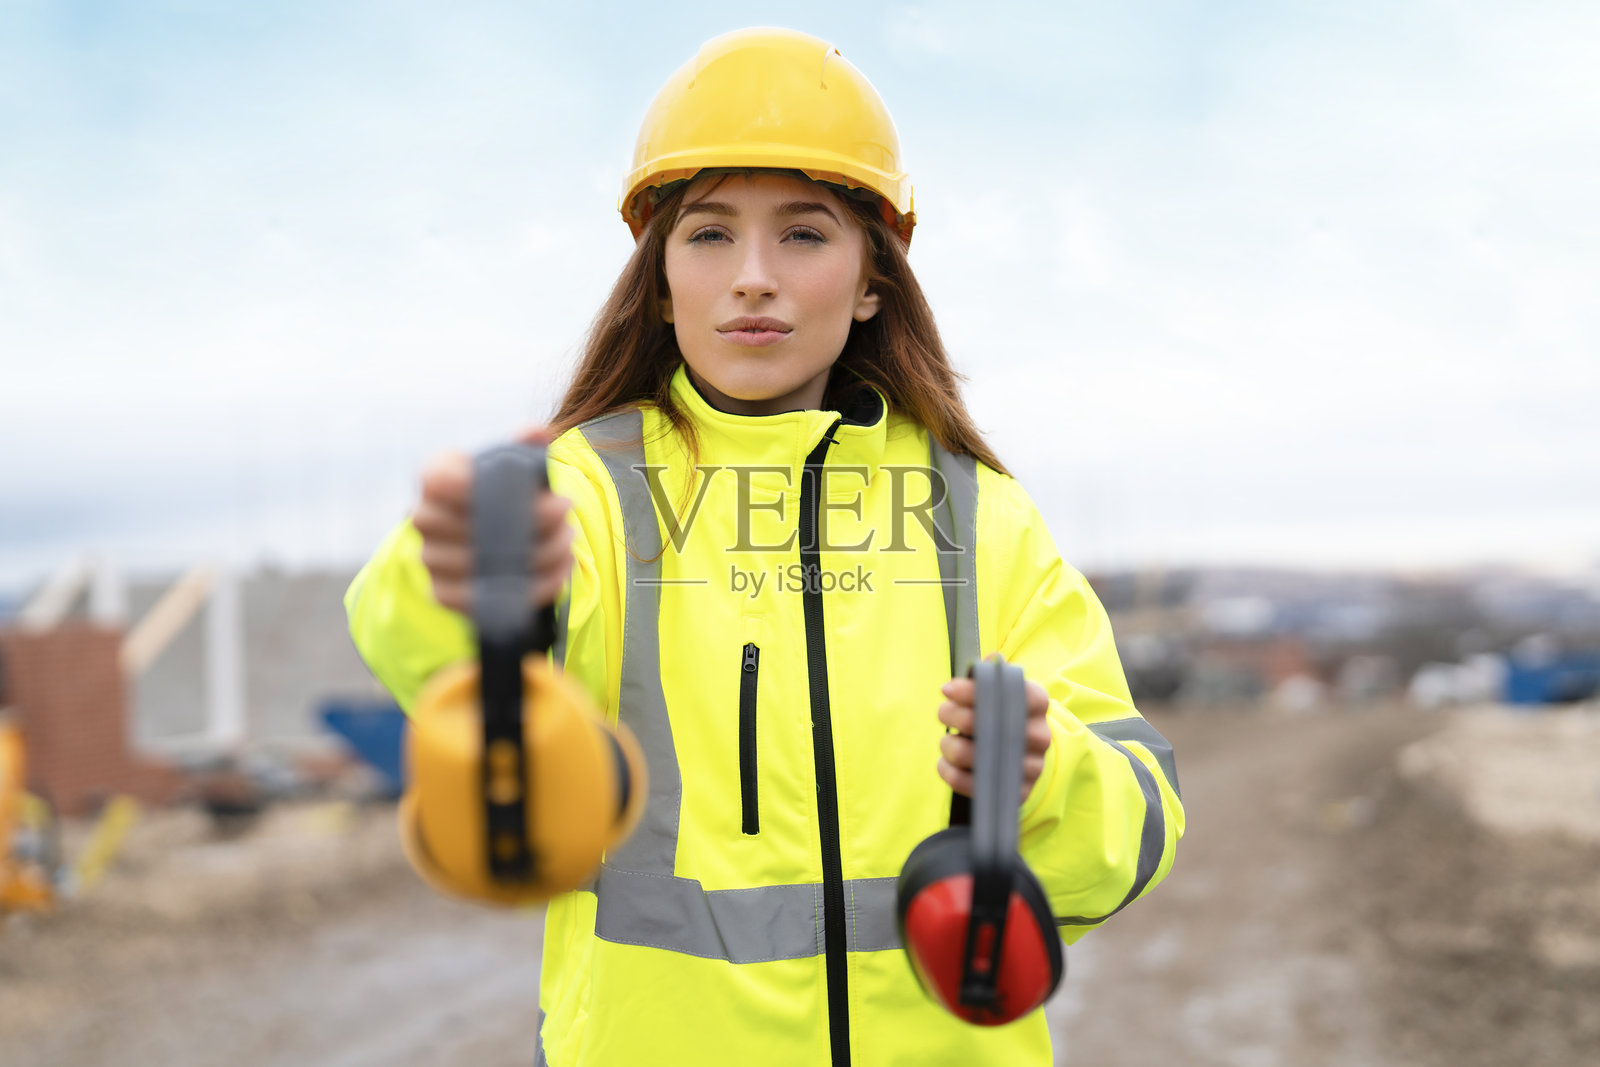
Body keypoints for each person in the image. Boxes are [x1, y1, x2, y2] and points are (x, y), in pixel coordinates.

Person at [345, 27, 1184, 1066]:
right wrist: (453, 586)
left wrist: (1047, 782)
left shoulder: (980, 519)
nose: (751, 277)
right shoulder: (588, 491)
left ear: (871, 278)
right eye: (707, 236)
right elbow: (432, 661)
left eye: (802, 234)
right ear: (658, 280)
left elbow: (1136, 830)